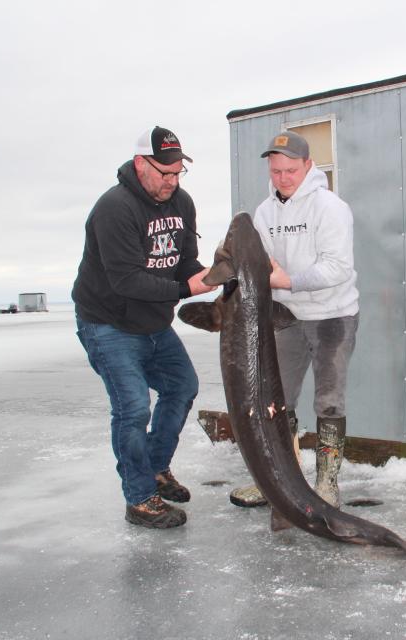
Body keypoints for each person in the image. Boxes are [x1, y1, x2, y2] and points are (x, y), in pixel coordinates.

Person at [72, 126, 216, 529]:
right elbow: (127, 281)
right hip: (108, 323)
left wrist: (210, 274)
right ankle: (138, 499)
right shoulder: (114, 208)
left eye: (177, 173)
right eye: (164, 173)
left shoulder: (181, 203)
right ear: (141, 164)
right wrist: (186, 288)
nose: (172, 181)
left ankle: (155, 469)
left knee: (181, 386)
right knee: (133, 407)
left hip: (153, 322)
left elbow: (186, 260)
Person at [230, 131, 359, 509]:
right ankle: (279, 478)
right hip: (285, 318)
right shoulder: (265, 212)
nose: (283, 178)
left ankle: (326, 483)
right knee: (276, 401)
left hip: (332, 316)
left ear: (307, 165)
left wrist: (289, 281)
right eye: (275, 171)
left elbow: (338, 267)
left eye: (290, 170)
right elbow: (261, 263)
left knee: (329, 402)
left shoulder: (330, 208)